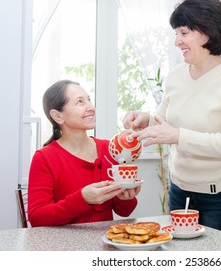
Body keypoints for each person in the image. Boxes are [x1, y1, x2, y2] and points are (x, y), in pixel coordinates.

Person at [123, 0, 221, 234]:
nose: (177, 41)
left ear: (207, 31)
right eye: (176, 33)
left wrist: (178, 136)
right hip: (179, 191)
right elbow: (165, 120)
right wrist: (146, 119)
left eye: (183, 33)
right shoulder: (175, 75)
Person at [28, 80, 141, 227]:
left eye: (89, 100)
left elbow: (124, 212)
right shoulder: (44, 158)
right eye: (80, 102)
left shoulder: (110, 149)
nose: (91, 107)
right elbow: (37, 218)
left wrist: (126, 197)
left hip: (107, 242)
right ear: (58, 116)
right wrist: (83, 199)